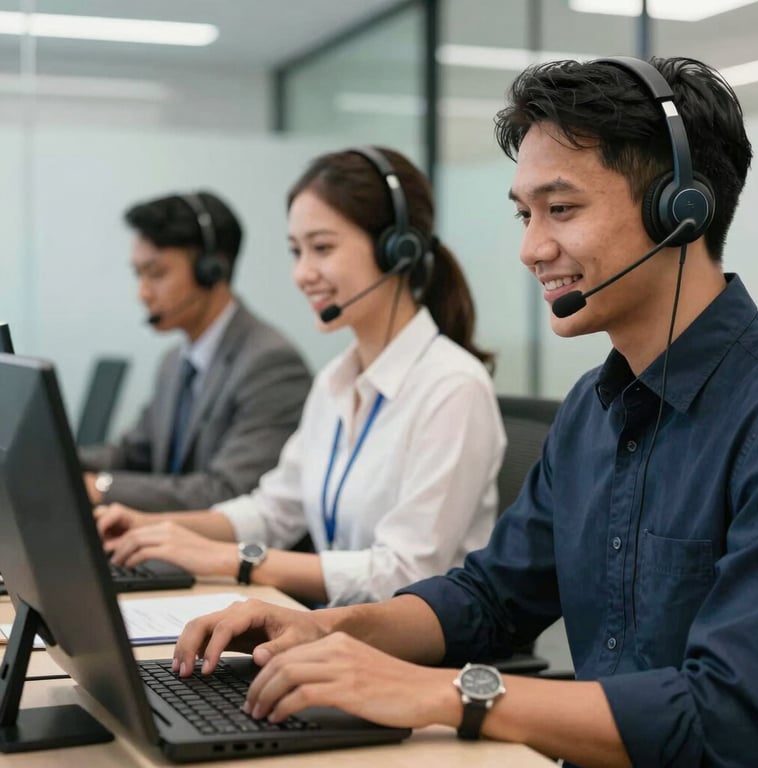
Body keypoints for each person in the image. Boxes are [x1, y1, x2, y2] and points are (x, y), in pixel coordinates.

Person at [170, 56, 758, 768]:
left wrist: (448, 694)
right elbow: (489, 597)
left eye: (562, 209)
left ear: (681, 210)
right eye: (524, 214)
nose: (530, 249)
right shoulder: (590, 412)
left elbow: (728, 719)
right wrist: (330, 631)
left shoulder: (757, 412)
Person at [97, 147, 506, 607]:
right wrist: (156, 527)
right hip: (331, 628)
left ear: (397, 250)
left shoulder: (452, 387)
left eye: (322, 248)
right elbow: (274, 511)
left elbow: (407, 572)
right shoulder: (335, 381)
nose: (302, 273)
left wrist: (232, 559)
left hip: (408, 645)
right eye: (296, 251)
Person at [80, 191, 312, 511]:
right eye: (138, 274)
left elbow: (228, 490)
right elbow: (135, 453)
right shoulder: (174, 362)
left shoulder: (271, 365)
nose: (143, 293)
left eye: (156, 274)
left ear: (211, 270)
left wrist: (101, 488)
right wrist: (57, 458)